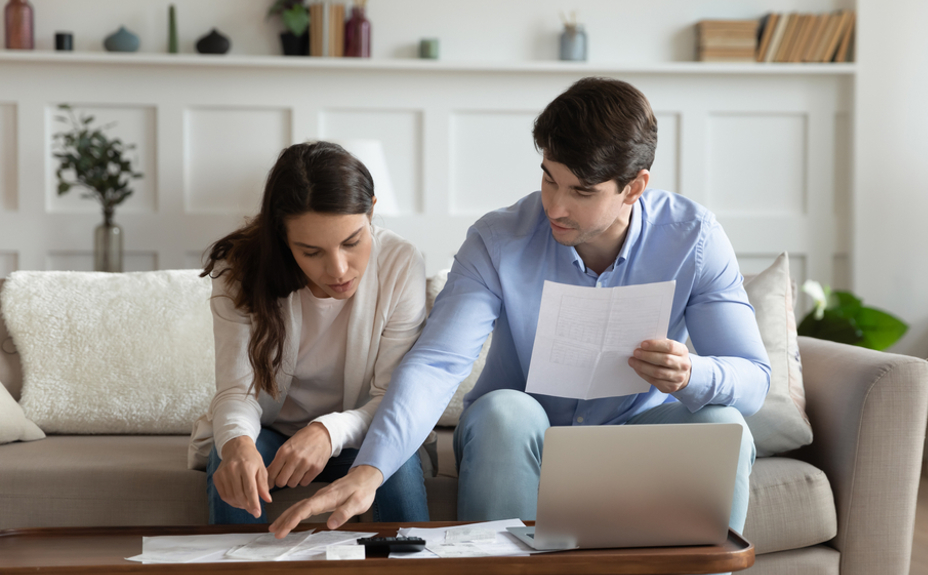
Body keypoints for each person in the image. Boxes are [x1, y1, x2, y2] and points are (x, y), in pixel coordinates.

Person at [269, 78, 770, 538]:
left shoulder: (694, 239)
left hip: (638, 437)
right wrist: (368, 471)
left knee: (724, 424)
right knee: (503, 413)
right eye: (549, 179)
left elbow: (752, 379)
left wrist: (692, 373)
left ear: (634, 187)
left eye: (581, 191)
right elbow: (437, 363)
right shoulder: (498, 238)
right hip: (518, 438)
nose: (555, 206)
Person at [187, 141, 430, 525]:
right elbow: (238, 391)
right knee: (232, 460)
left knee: (394, 465)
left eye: (352, 242)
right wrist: (238, 445)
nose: (338, 269)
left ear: (371, 211)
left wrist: (326, 432)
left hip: (361, 438)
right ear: (283, 240)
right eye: (311, 252)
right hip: (271, 433)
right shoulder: (240, 270)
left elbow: (393, 399)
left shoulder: (401, 264)